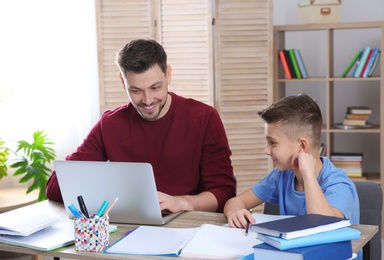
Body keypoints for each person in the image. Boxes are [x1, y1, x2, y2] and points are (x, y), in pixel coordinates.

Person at [46, 39, 236, 213]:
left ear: (168, 74)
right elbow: (55, 185)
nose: (147, 100)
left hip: (189, 225)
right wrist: (105, 189)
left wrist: (183, 202)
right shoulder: (110, 124)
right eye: (136, 90)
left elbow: (224, 192)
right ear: (123, 82)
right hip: (130, 228)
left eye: (155, 88)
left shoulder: (204, 118)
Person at [224, 93, 360, 227]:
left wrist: (308, 174)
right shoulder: (282, 175)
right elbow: (236, 201)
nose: (266, 150)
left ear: (302, 145)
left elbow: (323, 226)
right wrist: (235, 212)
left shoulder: (338, 185)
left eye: (273, 143)